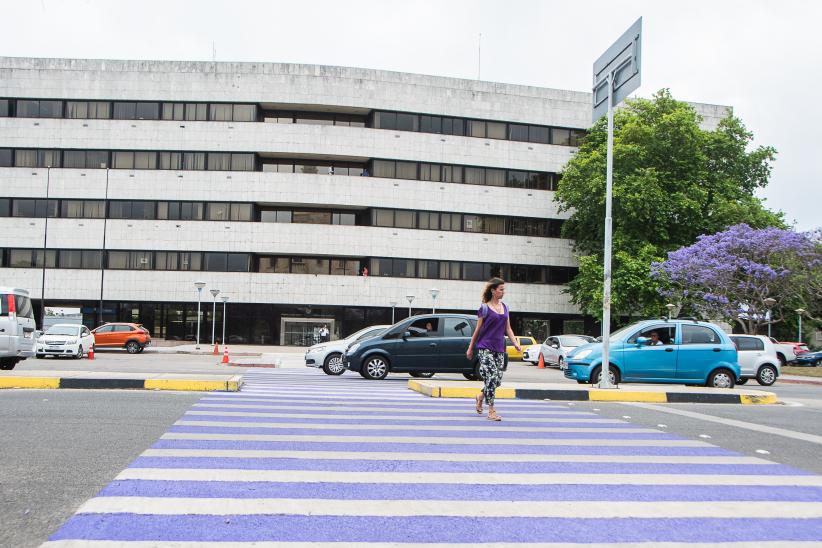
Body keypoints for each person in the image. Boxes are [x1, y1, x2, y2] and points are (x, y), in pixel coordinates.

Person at [466, 277, 520, 421]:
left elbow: (508, 328)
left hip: (500, 348)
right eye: (501, 289)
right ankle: (491, 410)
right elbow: (477, 331)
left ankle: (480, 396)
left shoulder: (505, 307)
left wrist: (515, 343)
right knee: (491, 377)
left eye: (504, 289)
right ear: (493, 291)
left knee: (497, 381)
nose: (503, 292)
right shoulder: (484, 308)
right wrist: (470, 348)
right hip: (485, 347)